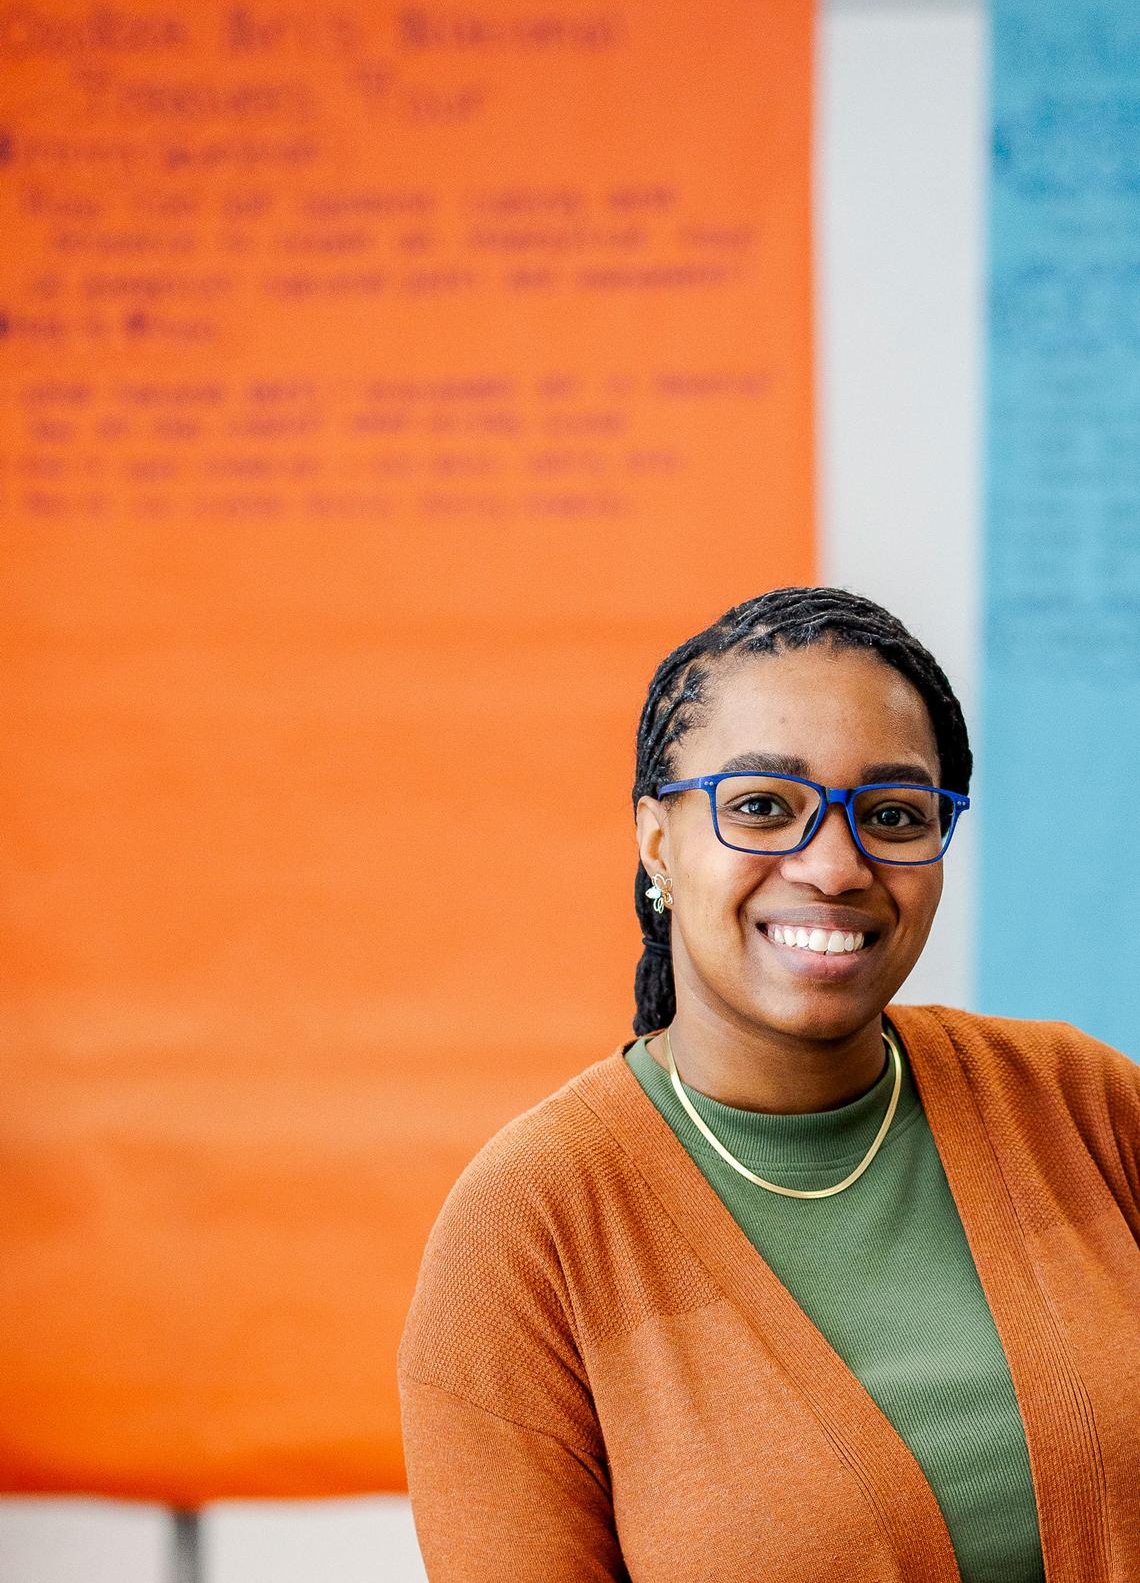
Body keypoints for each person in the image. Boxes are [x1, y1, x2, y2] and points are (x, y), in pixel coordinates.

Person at [398, 586, 1139, 1583]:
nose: (834, 865)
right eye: (760, 807)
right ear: (658, 841)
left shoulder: (1080, 1105)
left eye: (891, 813)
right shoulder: (531, 1232)